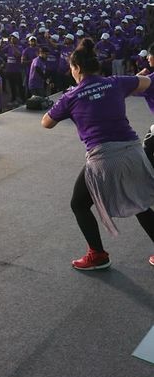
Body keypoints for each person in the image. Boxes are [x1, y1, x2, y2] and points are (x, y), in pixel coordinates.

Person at [41, 38, 154, 270]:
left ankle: (98, 255)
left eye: (71, 68)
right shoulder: (116, 82)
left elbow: (46, 123)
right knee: (140, 203)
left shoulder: (70, 96)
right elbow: (145, 82)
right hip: (134, 151)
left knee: (79, 203)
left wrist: (70, 100)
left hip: (103, 158)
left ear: (78, 69)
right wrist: (132, 80)